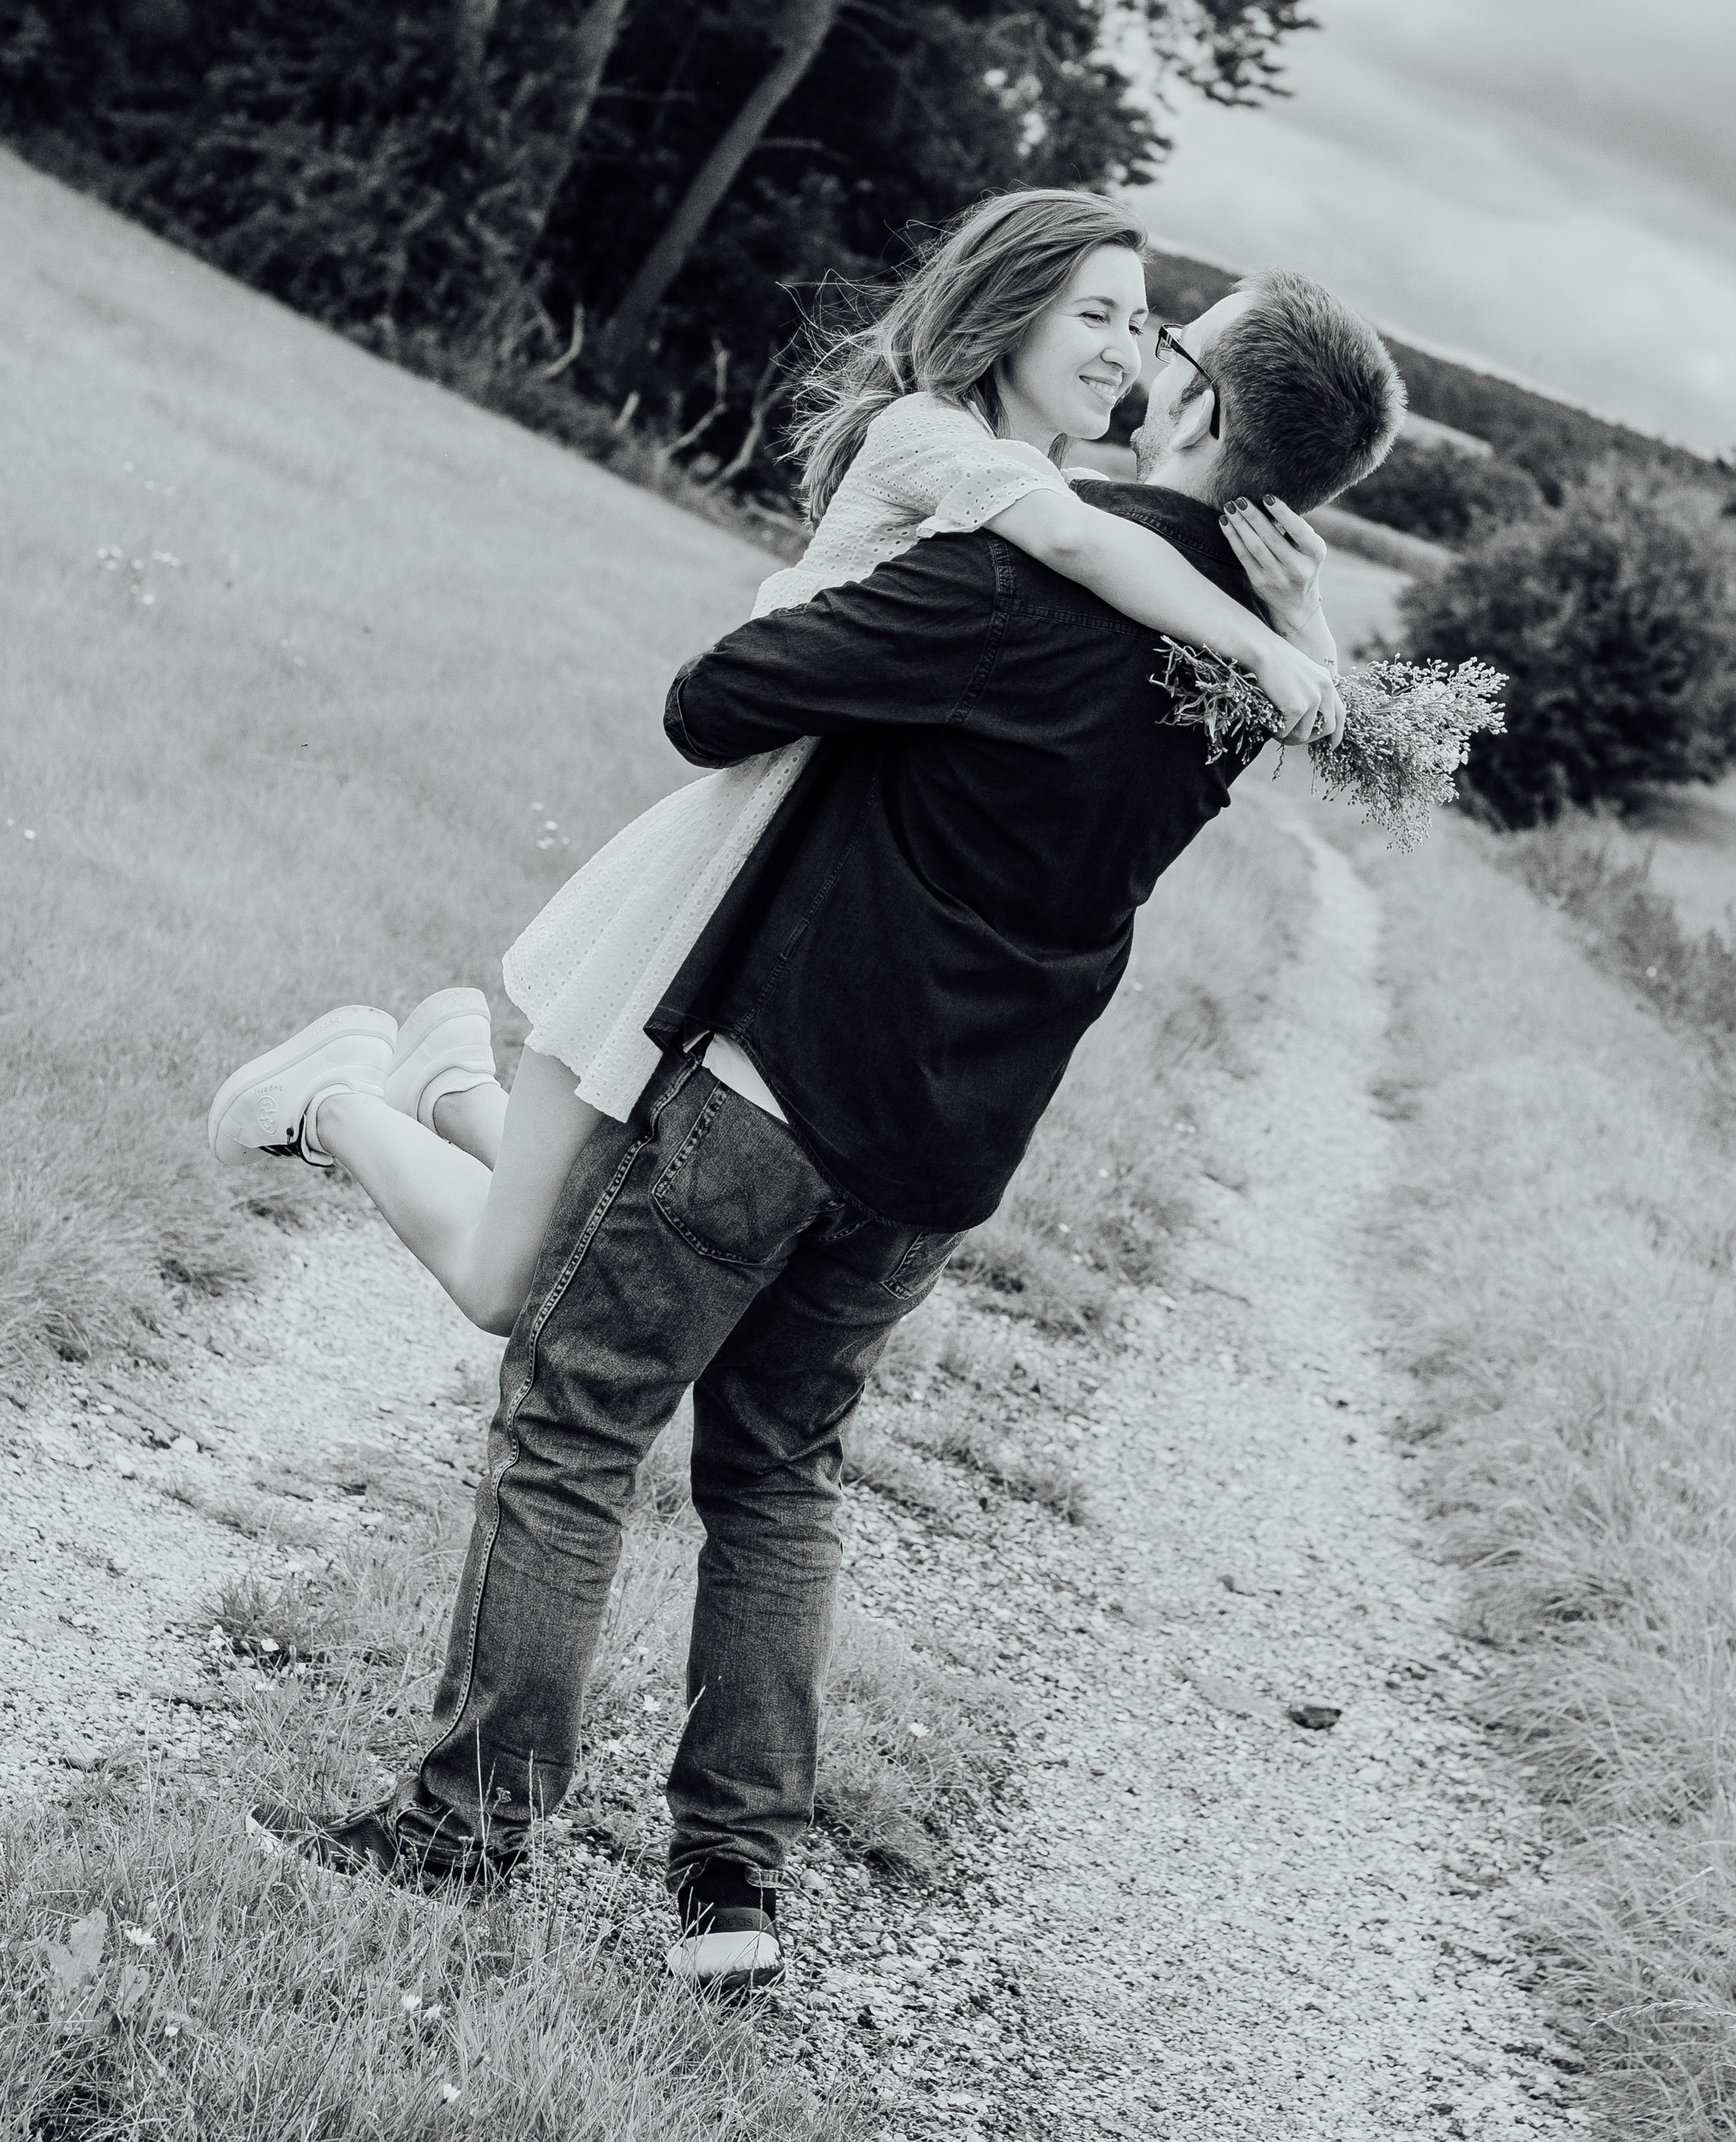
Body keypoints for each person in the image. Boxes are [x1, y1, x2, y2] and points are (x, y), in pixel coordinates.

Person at [240, 243, 1405, 1997]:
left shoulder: (1013, 583)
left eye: (1170, 339)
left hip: (778, 1090)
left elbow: (716, 703)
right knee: (777, 1476)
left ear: (1193, 404)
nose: (1139, 348)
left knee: (569, 1430)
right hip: (948, 1152)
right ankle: (730, 1889)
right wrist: (1303, 629)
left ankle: (461, 1838)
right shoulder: (1244, 677)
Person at [207, 192, 1344, 1346]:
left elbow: (1131, 569)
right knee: (514, 1285)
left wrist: (1302, 621)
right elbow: (1077, 544)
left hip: (790, 884)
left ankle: (448, 1084)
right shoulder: (942, 440)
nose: (1127, 352)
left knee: (587, 1219)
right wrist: (1268, 642)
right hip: (722, 857)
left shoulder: (1043, 471)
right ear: (1013, 312)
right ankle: (336, 1098)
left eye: (1145, 325)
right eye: (1097, 315)